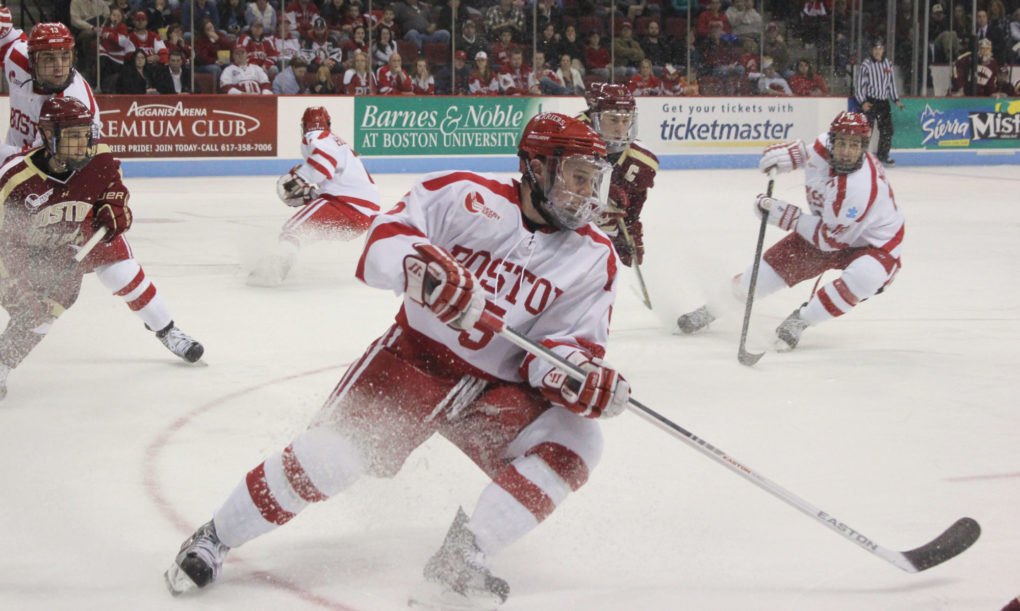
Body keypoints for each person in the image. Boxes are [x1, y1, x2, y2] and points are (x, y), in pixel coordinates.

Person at [165, 112, 627, 609]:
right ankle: (215, 537)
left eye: (594, 179)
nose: (589, 193)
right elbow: (384, 239)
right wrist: (423, 268)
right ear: (537, 167)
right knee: (328, 461)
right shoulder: (463, 195)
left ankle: (463, 557)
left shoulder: (594, 257)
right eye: (578, 177)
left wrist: (574, 375)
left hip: (496, 392)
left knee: (578, 438)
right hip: (413, 365)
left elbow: (562, 346)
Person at [0, 19, 204, 363]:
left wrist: (108, 198)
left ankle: (168, 329)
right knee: (27, 287)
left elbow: (83, 160)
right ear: (32, 60)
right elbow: (6, 32)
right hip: (16, 182)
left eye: (65, 57)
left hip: (56, 187)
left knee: (118, 267)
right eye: (48, 59)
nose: (59, 65)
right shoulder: (16, 56)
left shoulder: (77, 102)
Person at [676, 111, 905, 351]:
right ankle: (712, 309)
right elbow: (808, 153)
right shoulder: (821, 146)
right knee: (761, 277)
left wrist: (786, 216)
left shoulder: (859, 189)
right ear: (831, 141)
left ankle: (801, 320)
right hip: (829, 229)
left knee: (865, 278)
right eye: (841, 143)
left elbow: (829, 241)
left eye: (854, 145)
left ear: (864, 147)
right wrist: (793, 156)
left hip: (875, 245)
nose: (847, 152)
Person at [0, 98, 130, 398]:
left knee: (42, 314)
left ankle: (3, 364)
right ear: (47, 135)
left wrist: (114, 208)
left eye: (85, 133)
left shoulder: (100, 160)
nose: (81, 143)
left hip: (60, 255)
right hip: (11, 255)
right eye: (72, 135)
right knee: (25, 306)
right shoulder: (16, 178)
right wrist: (19, 289)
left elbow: (114, 190)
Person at [247, 107, 382, 287]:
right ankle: (288, 258)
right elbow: (333, 178)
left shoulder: (315, 136)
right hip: (362, 218)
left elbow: (323, 166)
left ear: (304, 126)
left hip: (345, 205)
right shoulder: (336, 142)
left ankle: (277, 268)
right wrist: (312, 195)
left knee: (292, 230)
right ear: (328, 124)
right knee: (304, 234)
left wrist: (300, 178)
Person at [578, 82, 658, 267]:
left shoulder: (641, 162)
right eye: (613, 120)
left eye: (625, 120)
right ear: (594, 118)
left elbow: (632, 211)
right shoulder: (571, 141)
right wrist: (601, 188)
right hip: (563, 237)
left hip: (601, 244)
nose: (620, 129)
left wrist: (630, 233)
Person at [855, 39, 904, 167]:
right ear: (872, 50)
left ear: (883, 49)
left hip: (883, 102)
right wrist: (863, 101)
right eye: (875, 49)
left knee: (887, 130)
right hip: (871, 101)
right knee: (866, 130)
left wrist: (896, 99)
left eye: (880, 48)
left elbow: (891, 83)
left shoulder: (888, 64)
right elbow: (860, 85)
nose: (878, 51)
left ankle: (883, 155)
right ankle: (860, 155)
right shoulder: (866, 64)